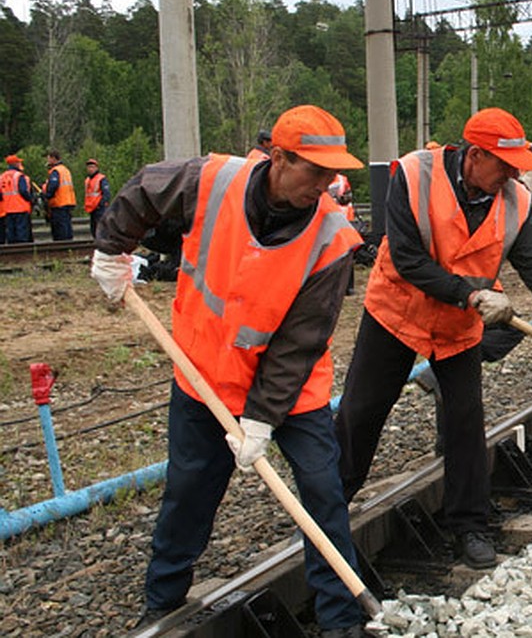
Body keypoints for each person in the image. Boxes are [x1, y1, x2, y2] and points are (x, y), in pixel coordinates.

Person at [89, 105, 369, 637]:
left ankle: (341, 618)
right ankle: (164, 598)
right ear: (279, 158)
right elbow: (146, 189)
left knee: (322, 490)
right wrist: (111, 249)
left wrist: (262, 419)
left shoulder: (333, 240)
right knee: (191, 487)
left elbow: (299, 343)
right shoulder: (213, 179)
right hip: (205, 373)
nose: (327, 184)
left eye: (335, 173)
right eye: (316, 170)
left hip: (292, 393)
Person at [333, 108, 532, 570]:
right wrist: (469, 292)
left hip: (457, 327)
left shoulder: (515, 201)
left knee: (466, 423)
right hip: (396, 313)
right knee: (361, 413)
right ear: (474, 155)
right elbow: (406, 257)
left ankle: (470, 525)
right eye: (504, 164)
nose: (512, 174)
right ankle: (329, 508)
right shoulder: (413, 175)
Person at [1, 155, 34, 242]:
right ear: (15, 164)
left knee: (11, 234)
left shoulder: (2, 177)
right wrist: (30, 199)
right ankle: (22, 253)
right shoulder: (19, 176)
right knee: (21, 233)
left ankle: (13, 253)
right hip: (20, 208)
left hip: (7, 210)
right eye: (18, 162)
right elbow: (23, 191)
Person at [44, 150, 75, 240]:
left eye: (49, 158)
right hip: (68, 201)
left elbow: (53, 186)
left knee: (60, 229)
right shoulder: (65, 170)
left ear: (53, 158)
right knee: (67, 225)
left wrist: (47, 195)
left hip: (59, 202)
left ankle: (63, 247)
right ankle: (68, 246)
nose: (48, 161)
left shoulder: (56, 171)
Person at [83, 158, 111, 237]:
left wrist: (100, 204)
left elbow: (106, 193)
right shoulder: (87, 180)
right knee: (94, 229)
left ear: (96, 168)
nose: (90, 169)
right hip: (91, 208)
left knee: (100, 229)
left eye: (92, 167)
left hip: (99, 208)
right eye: (89, 167)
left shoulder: (101, 178)